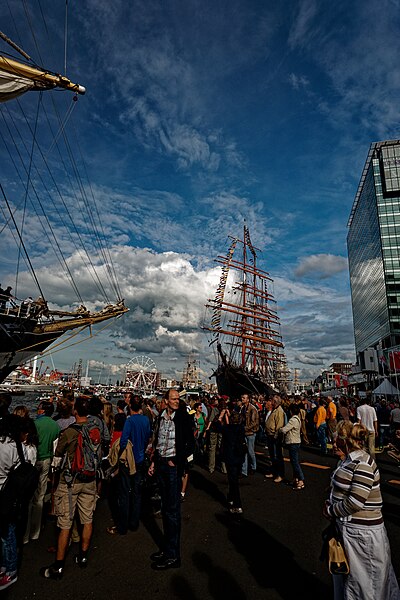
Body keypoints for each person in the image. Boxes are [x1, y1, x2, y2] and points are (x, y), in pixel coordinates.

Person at [323, 420, 400, 599]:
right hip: (350, 530)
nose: (333, 444)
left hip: (363, 534)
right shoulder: (348, 460)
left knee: (367, 584)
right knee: (352, 580)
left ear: (346, 440)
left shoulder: (362, 463)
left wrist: (330, 510)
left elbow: (355, 502)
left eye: (337, 440)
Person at [40, 396, 103, 579]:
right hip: (90, 480)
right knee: (87, 519)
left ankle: (58, 565)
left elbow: (57, 457)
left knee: (65, 522)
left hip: (70, 481)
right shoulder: (95, 429)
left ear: (76, 411)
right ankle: (82, 556)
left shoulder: (69, 432)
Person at [148, 388, 195, 570]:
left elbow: (191, 445)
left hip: (172, 469)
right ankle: (166, 548)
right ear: (166, 401)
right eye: (174, 399)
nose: (177, 401)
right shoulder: (161, 416)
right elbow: (158, 440)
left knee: (172, 511)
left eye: (178, 399)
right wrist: (154, 461)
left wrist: (176, 461)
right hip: (160, 464)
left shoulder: (183, 417)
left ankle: (173, 555)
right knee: (165, 509)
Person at [23, 401, 59, 544]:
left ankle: (25, 534)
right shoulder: (55, 426)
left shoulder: (35, 424)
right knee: (41, 495)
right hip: (47, 460)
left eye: (38, 409)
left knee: (28, 497)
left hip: (34, 459)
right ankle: (35, 532)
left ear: (42, 411)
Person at [117, 396, 151, 533]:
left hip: (129, 460)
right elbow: (148, 437)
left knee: (124, 492)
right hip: (141, 459)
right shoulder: (146, 420)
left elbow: (123, 441)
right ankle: (134, 522)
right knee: (137, 492)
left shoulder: (129, 421)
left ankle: (123, 525)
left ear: (130, 406)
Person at [217, 404, 246, 514]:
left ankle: (237, 505)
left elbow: (218, 426)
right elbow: (233, 425)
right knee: (233, 479)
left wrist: (221, 416)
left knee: (233, 481)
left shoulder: (227, 429)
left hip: (230, 457)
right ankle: (231, 498)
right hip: (239, 457)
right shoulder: (240, 428)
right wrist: (231, 416)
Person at [279, 403, 305, 490]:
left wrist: (280, 429)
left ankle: (301, 480)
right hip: (297, 441)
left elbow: (284, 430)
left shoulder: (292, 420)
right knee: (294, 461)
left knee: (295, 462)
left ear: (291, 411)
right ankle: (296, 479)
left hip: (293, 442)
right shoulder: (298, 419)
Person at [264, 395, 286, 482]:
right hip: (270, 436)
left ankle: (280, 474)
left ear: (275, 402)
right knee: (272, 456)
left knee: (278, 457)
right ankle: (273, 471)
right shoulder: (274, 409)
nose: (270, 402)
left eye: (272, 401)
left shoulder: (279, 411)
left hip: (274, 437)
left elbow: (279, 426)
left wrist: (277, 438)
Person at [240, 393, 259, 477]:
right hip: (245, 432)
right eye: (242, 398)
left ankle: (253, 467)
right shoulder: (243, 408)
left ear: (248, 399)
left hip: (250, 433)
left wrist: (245, 428)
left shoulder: (252, 409)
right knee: (244, 452)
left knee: (250, 451)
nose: (242, 399)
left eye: (244, 398)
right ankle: (244, 471)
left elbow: (254, 422)